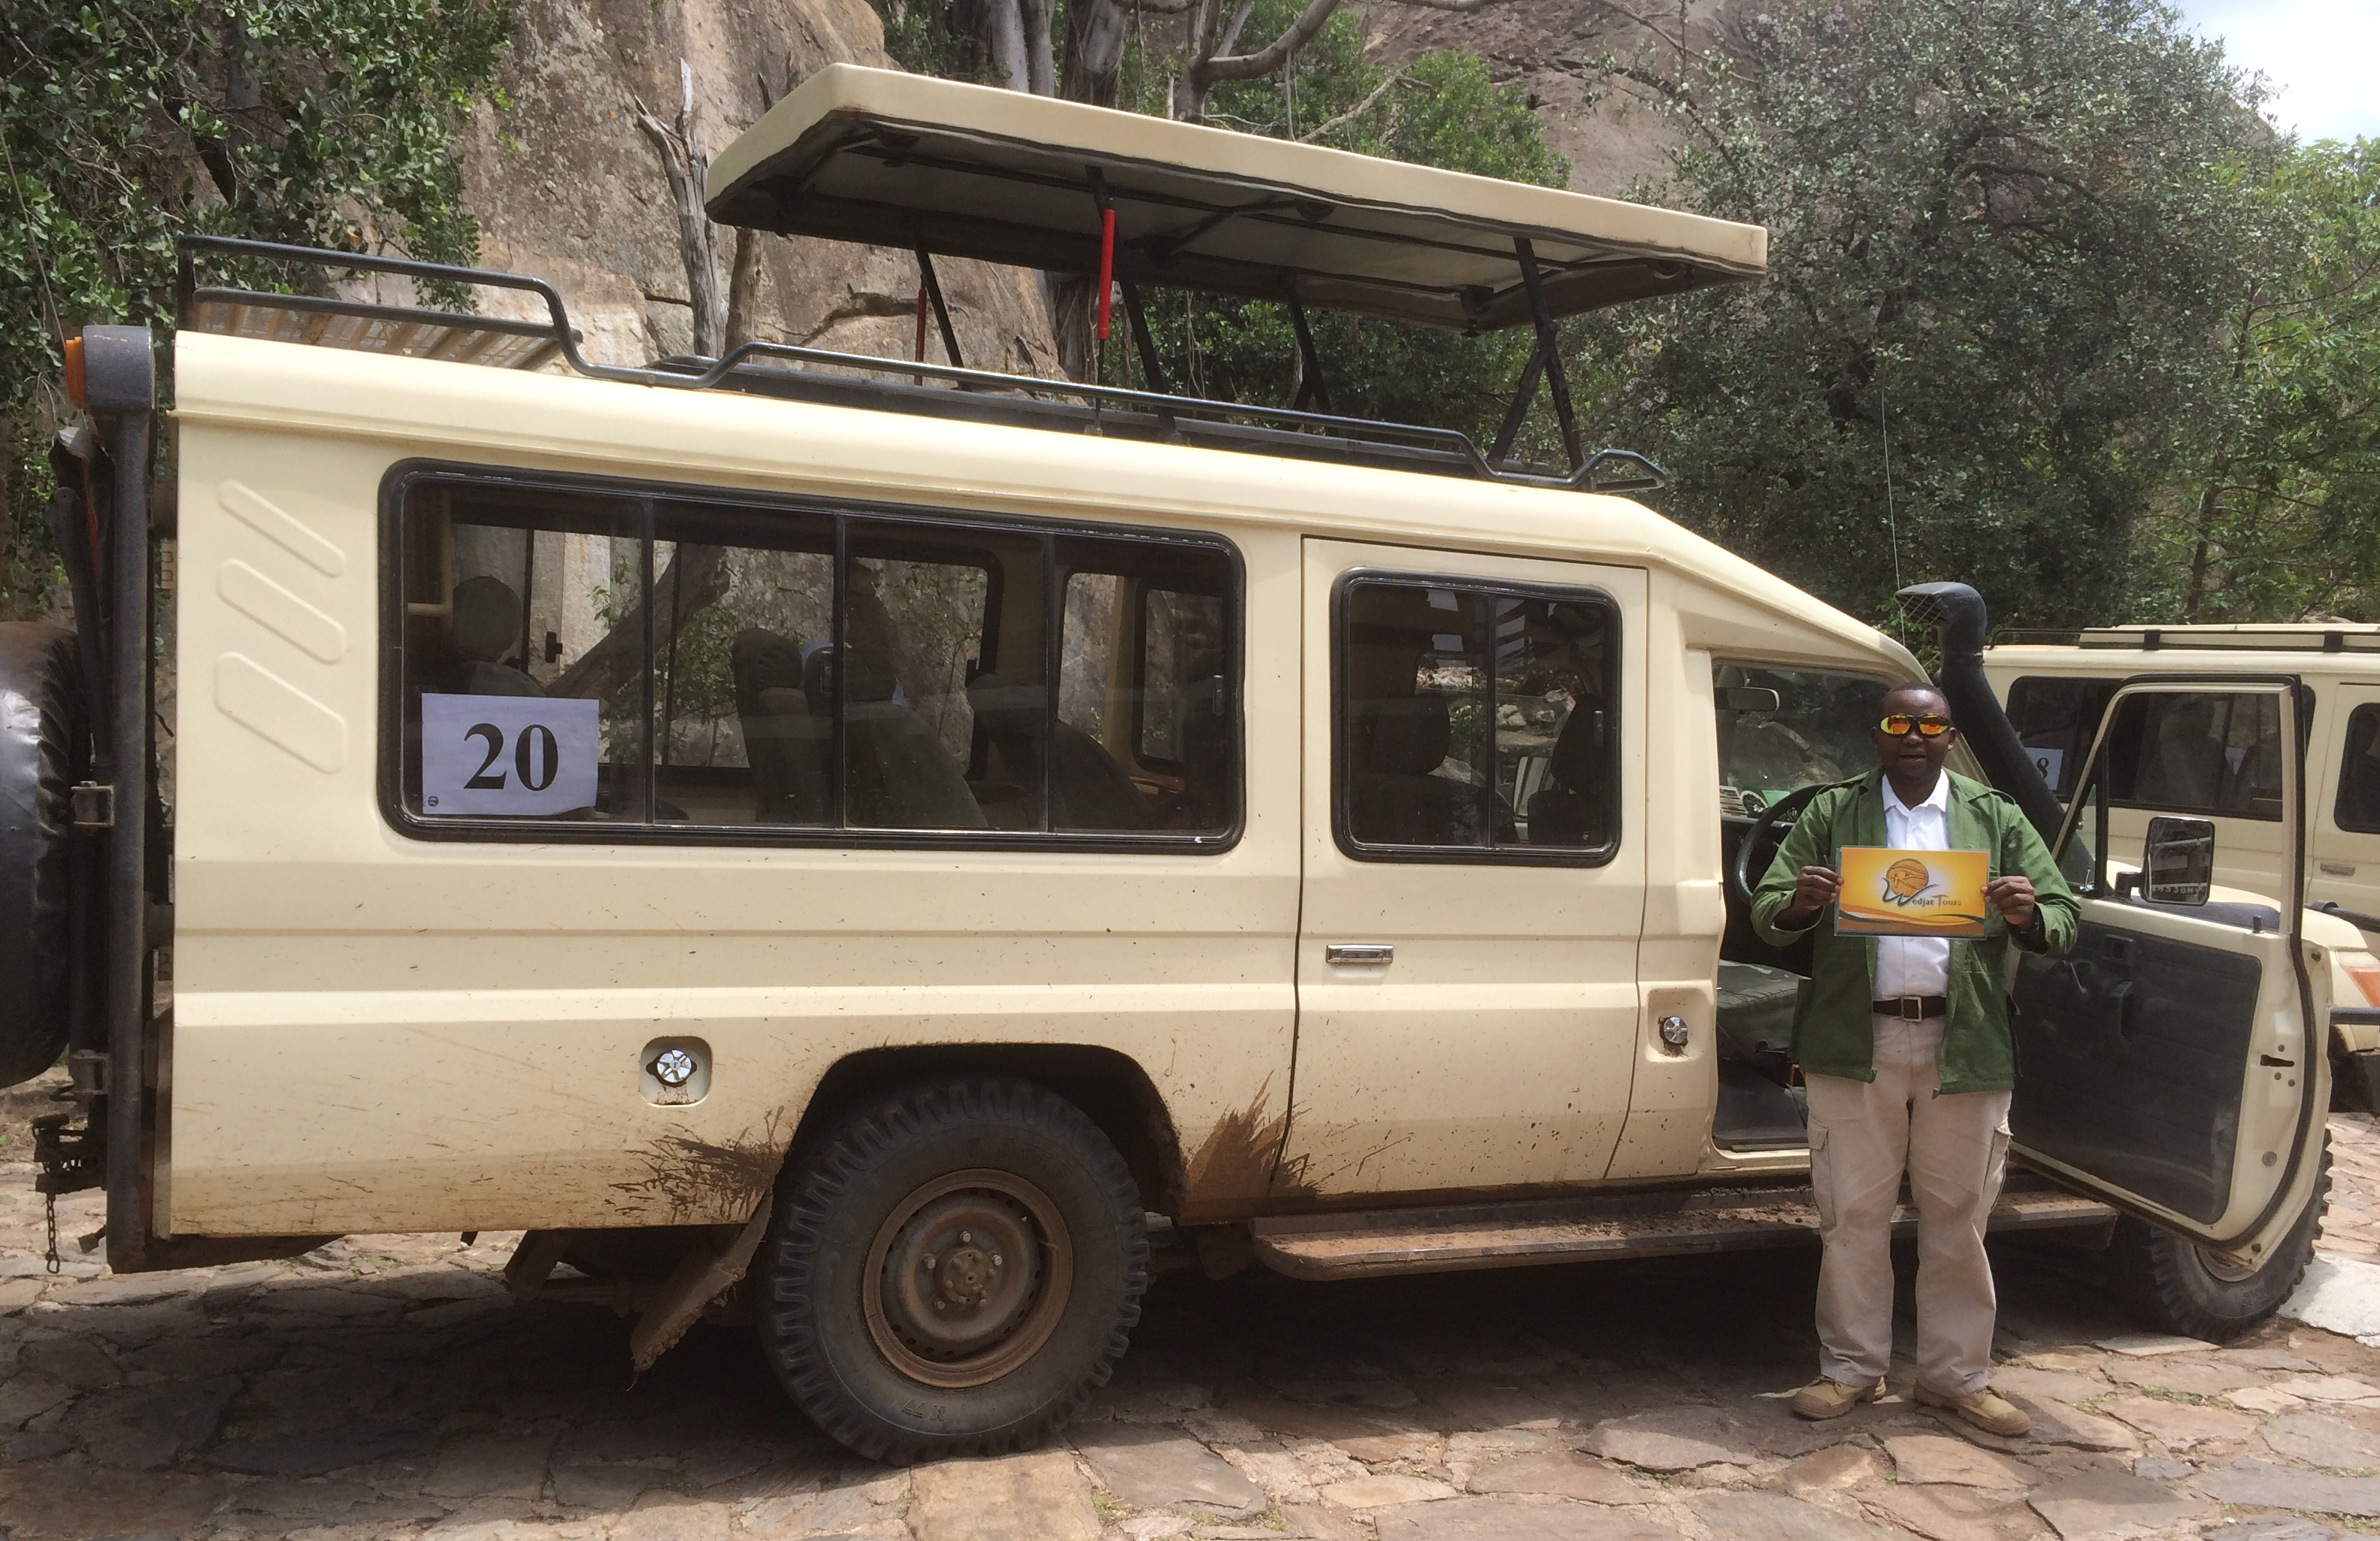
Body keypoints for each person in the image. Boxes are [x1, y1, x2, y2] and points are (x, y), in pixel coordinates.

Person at [1752, 681, 2078, 1437]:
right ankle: (1850, 1371)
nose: (1913, 735)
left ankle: (1953, 1378)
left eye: (1929, 725)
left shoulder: (1991, 817)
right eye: (1899, 722)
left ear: (1949, 735)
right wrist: (1801, 901)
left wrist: (2029, 910)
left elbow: (2063, 916)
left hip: (1959, 1044)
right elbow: (1769, 913)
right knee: (1852, 1212)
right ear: (1876, 733)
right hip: (1854, 1043)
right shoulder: (1832, 812)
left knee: (1958, 1215)